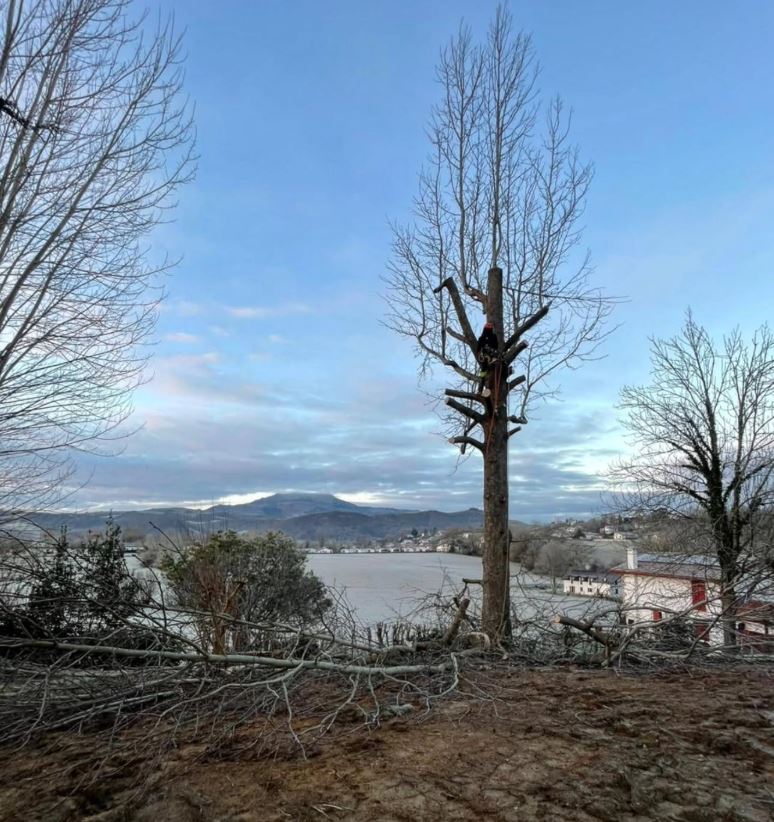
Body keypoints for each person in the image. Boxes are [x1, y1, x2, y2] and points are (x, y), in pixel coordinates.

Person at [476, 322, 498, 397]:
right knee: (483, 374)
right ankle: (480, 390)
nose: (489, 327)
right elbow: (478, 349)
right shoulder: (481, 338)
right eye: (488, 326)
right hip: (484, 358)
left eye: (490, 326)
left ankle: (488, 389)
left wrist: (494, 355)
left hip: (492, 357)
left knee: (491, 373)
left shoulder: (494, 337)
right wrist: (480, 356)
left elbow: (496, 347)